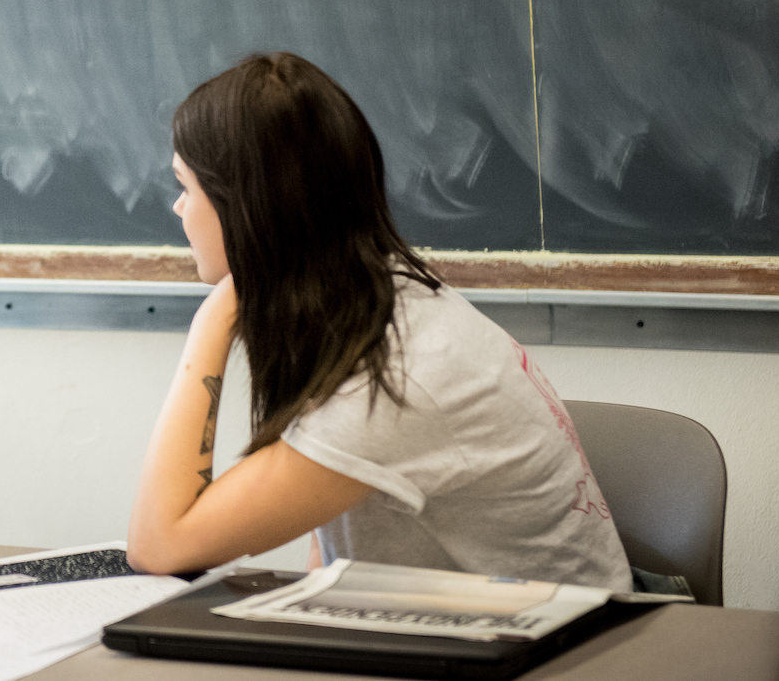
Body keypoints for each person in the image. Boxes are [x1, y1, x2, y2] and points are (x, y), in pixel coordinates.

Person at [126, 52, 629, 588]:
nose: (179, 209)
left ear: (246, 206)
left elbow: (160, 545)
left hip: (567, 655)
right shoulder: (371, 303)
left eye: (186, 187)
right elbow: (327, 551)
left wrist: (210, 325)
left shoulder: (396, 376)